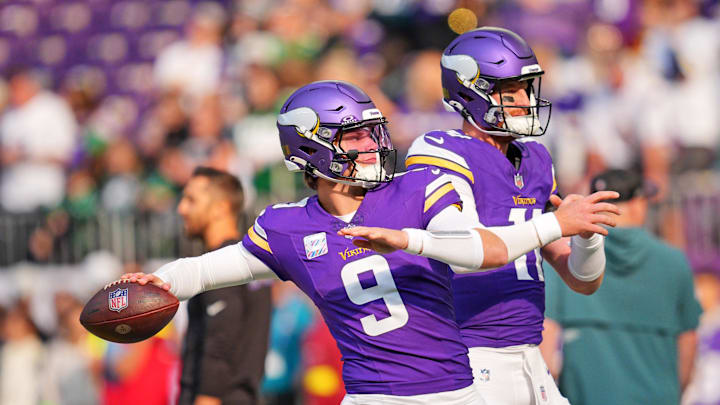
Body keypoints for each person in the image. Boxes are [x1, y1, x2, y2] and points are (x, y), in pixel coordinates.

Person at [120, 80, 618, 405]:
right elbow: (206, 270)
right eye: (355, 137)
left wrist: (407, 239)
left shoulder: (417, 186)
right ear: (310, 149)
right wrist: (156, 282)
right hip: (371, 396)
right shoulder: (287, 227)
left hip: (455, 392)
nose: (373, 146)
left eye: (373, 134)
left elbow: (476, 251)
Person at [404, 26, 608, 404]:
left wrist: (587, 236)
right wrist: (556, 223)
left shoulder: (536, 158)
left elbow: (583, 281)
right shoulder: (441, 151)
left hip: (530, 353)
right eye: (510, 91)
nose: (524, 101)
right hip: (469, 350)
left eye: (526, 89)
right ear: (470, 92)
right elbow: (465, 250)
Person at [540, 169, 703, 405]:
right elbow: (688, 341)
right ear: (638, 204)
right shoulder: (674, 262)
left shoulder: (567, 256)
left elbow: (547, 334)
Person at [175, 166, 271, 405]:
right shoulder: (251, 262)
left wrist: (207, 397)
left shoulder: (220, 267)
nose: (181, 209)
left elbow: (221, 337)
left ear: (221, 208)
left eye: (191, 200)